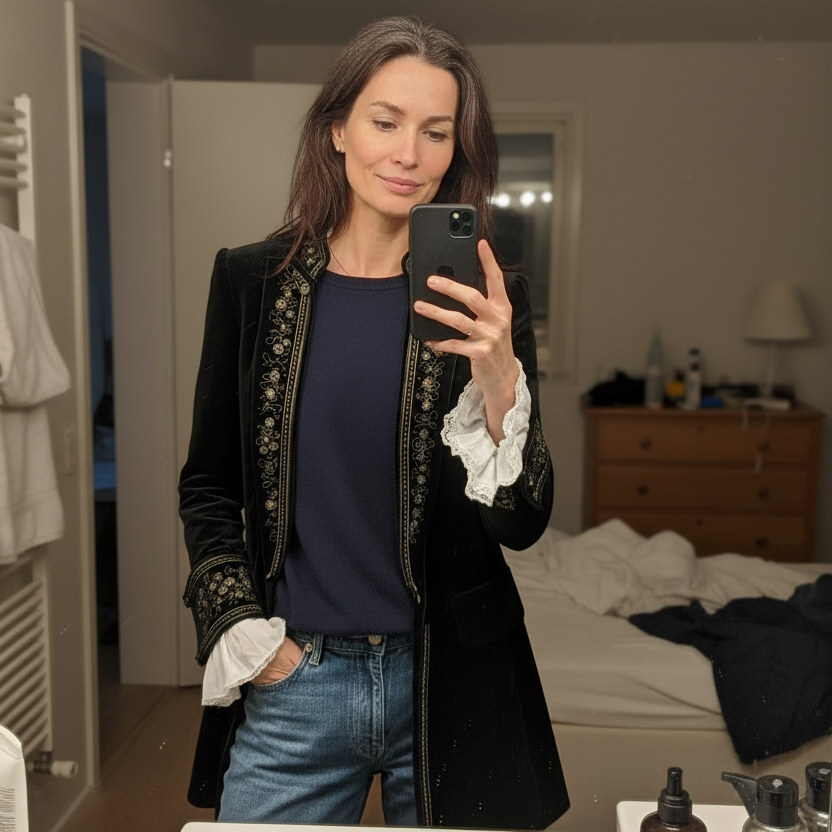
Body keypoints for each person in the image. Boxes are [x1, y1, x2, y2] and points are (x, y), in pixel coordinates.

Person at [178, 15, 569, 829]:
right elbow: (209, 485)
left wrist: (501, 379)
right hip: (297, 684)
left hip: (457, 684)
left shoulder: (490, 304)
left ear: (455, 151)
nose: (408, 154)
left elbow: (523, 524)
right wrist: (246, 632)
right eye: (385, 122)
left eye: (436, 132)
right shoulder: (251, 282)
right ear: (337, 130)